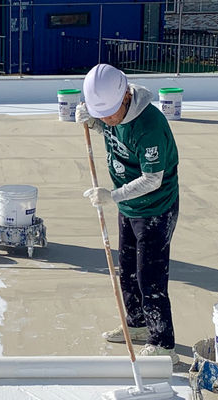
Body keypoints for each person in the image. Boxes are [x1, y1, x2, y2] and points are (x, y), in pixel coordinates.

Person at [76, 64, 180, 364]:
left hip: (156, 209)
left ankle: (163, 344)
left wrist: (112, 196)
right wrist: (95, 124)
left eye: (109, 113)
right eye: (101, 113)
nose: (106, 119)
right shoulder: (113, 114)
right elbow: (114, 134)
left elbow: (152, 179)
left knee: (151, 278)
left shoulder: (149, 125)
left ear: (125, 98)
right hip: (129, 205)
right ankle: (136, 323)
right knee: (128, 271)